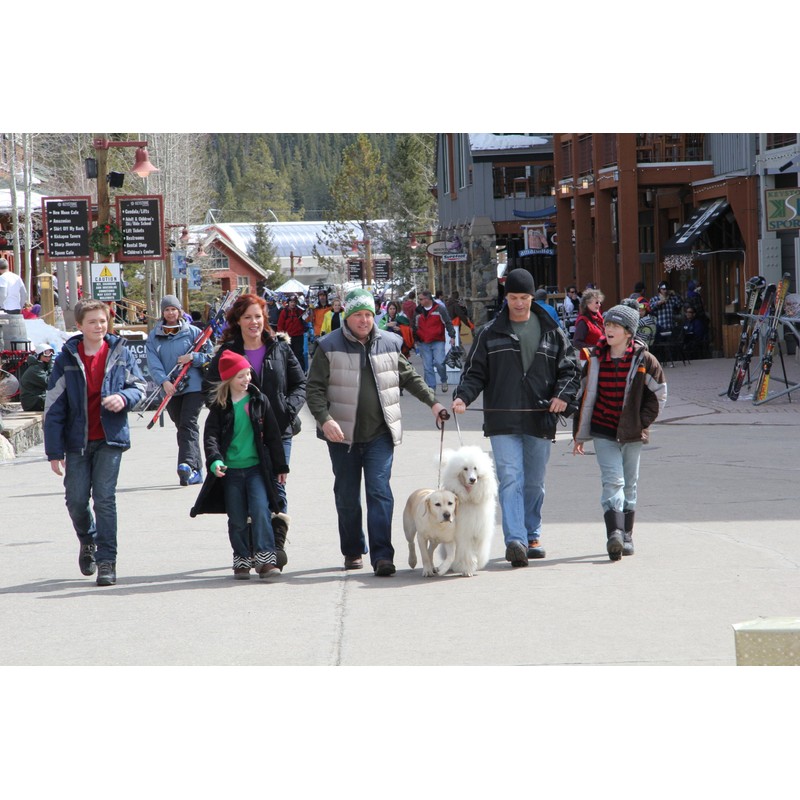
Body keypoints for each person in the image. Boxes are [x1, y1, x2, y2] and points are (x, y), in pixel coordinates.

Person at [306, 287, 447, 576]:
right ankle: (354, 549)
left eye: (368, 314)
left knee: (379, 492)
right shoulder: (328, 345)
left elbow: (409, 377)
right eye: (358, 314)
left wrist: (433, 403)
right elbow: (314, 389)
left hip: (380, 434)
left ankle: (383, 556)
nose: (364, 320)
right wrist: (324, 419)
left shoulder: (390, 343)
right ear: (347, 316)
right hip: (342, 435)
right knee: (346, 495)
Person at [452, 268, 581, 567]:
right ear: (505, 297)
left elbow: (572, 369)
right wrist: (462, 397)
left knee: (534, 482)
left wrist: (562, 396)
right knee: (510, 478)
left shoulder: (552, 330)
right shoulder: (489, 332)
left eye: (524, 297)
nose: (519, 303)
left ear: (532, 297)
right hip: (503, 420)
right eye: (513, 297)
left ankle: (532, 533)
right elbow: (474, 373)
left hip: (540, 418)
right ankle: (516, 541)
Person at [44, 298, 146, 586]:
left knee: (104, 499)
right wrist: (54, 451)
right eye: (92, 322)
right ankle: (87, 539)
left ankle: (107, 561)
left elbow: (138, 385)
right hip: (76, 443)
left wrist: (124, 398)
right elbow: (53, 407)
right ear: (79, 326)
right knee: (76, 500)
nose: (99, 326)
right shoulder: (66, 358)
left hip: (110, 439)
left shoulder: (120, 352)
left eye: (102, 321)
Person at [204, 293, 305, 568]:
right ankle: (252, 547)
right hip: (239, 436)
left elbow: (300, 384)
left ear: (265, 319)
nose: (253, 322)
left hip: (278, 431)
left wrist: (286, 409)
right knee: (246, 495)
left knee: (276, 486)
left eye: (258, 316)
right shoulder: (228, 352)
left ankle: (272, 550)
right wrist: (228, 412)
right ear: (238, 320)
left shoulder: (280, 347)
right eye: (247, 317)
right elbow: (210, 391)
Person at [572, 303, 667, 561]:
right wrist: (578, 434)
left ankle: (627, 535)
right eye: (607, 325)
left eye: (615, 326)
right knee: (613, 480)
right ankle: (614, 532)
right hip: (603, 430)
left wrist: (641, 421)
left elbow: (659, 395)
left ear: (628, 332)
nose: (609, 329)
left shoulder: (645, 361)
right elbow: (583, 396)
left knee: (630, 483)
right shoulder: (594, 359)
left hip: (631, 432)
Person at [190, 350, 289, 580]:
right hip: (231, 472)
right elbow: (211, 437)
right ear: (228, 380)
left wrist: (280, 467)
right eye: (240, 376)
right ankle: (242, 559)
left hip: (257, 469)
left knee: (261, 511)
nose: (246, 379)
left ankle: (266, 560)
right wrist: (215, 460)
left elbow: (273, 436)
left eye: (248, 374)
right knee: (236, 517)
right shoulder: (219, 406)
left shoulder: (259, 401)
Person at [146, 294, 212, 486]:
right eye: (167, 309)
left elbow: (209, 354)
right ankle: (196, 470)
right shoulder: (154, 336)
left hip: (193, 386)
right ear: (163, 312)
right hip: (171, 388)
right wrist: (164, 381)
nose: (170, 313)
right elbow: (153, 363)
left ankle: (186, 464)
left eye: (174, 309)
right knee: (182, 426)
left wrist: (192, 357)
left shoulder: (193, 332)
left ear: (180, 311)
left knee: (187, 423)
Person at [413, 289, 456, 393]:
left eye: (421, 299)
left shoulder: (440, 309)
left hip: (438, 340)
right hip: (423, 341)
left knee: (440, 363)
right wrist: (415, 340)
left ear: (428, 299)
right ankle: (431, 388)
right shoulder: (418, 311)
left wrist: (452, 336)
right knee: (427, 366)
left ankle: (443, 380)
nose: (419, 301)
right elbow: (414, 326)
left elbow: (448, 322)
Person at [19, 342, 55, 411]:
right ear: (38, 356)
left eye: (50, 356)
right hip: (32, 402)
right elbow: (49, 383)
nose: (49, 358)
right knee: (59, 402)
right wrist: (51, 369)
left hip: (36, 400)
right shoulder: (35, 369)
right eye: (45, 356)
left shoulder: (41, 367)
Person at [277, 294, 307, 371]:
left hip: (298, 336)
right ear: (288, 302)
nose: (293, 303)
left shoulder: (300, 311)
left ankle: (302, 371)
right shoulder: (284, 312)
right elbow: (280, 325)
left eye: (294, 302)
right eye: (291, 302)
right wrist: (282, 337)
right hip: (288, 337)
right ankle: (290, 372)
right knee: (288, 355)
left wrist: (308, 312)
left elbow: (308, 320)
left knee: (299, 355)